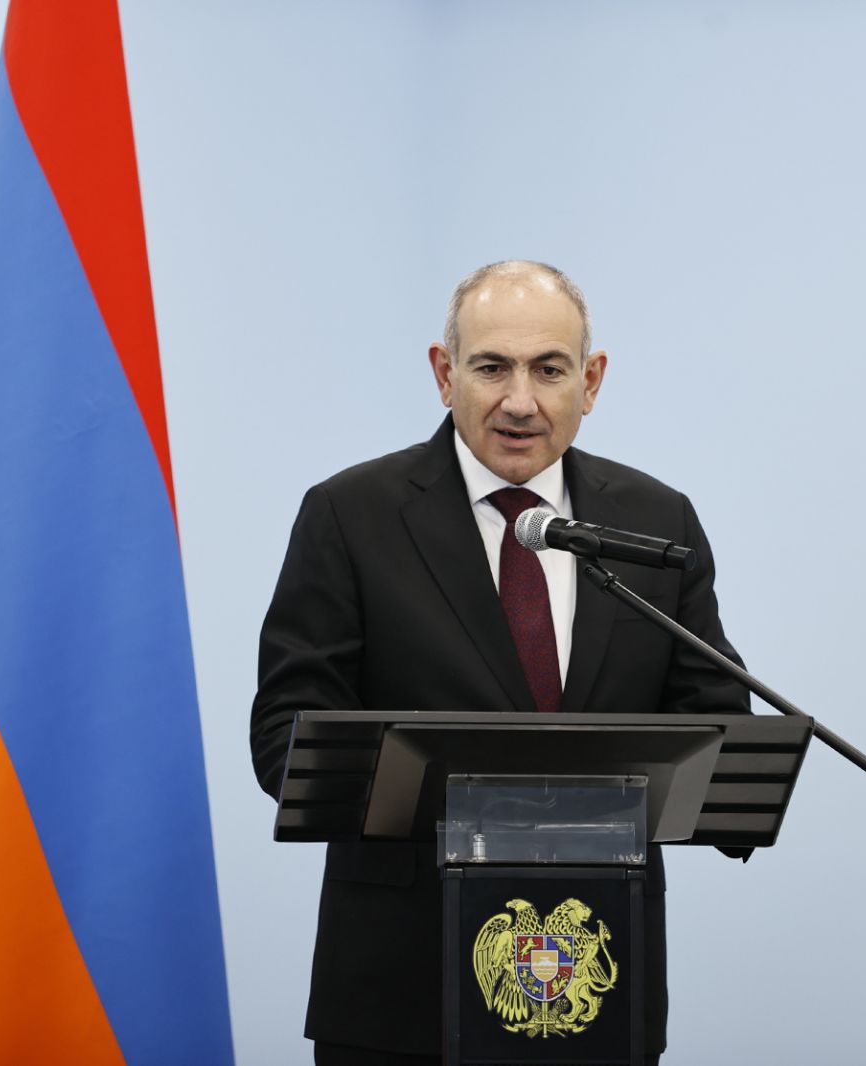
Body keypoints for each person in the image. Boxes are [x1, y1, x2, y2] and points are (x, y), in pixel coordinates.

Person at [250, 261, 750, 1065]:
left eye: (549, 370)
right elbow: (285, 735)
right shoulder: (351, 514)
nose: (520, 401)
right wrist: (445, 783)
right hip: (399, 990)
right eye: (492, 368)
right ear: (444, 373)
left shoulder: (657, 522)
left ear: (591, 381)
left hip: (596, 980)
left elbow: (715, 721)